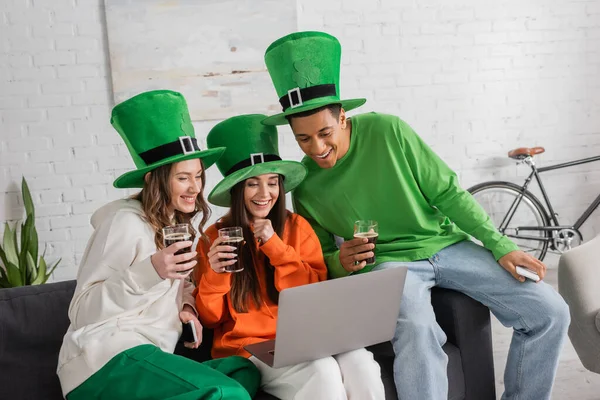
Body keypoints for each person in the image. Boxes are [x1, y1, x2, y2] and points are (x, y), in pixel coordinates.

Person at [262, 31, 571, 400]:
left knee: (550, 311)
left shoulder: (388, 131)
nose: (317, 148)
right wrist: (341, 261)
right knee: (416, 326)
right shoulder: (306, 185)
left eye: (324, 133)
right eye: (303, 139)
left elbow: (448, 193)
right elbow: (321, 258)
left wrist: (500, 245)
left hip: (446, 245)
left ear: (342, 117)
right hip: (387, 263)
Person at [57, 90, 260, 400]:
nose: (195, 187)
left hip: (150, 354)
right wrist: (150, 270)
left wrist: (187, 306)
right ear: (155, 179)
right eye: (183, 178)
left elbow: (177, 286)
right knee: (226, 391)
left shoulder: (172, 225)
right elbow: (82, 310)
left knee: (243, 370)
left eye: (198, 176)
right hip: (105, 359)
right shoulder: (123, 223)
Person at [194, 114, 385, 400]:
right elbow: (210, 319)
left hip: (307, 337)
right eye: (252, 184)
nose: (265, 193)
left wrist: (274, 246)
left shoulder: (297, 227)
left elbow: (313, 294)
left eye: (272, 183)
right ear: (237, 189)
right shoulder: (213, 237)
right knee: (321, 370)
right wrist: (215, 274)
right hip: (249, 347)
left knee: (361, 362)